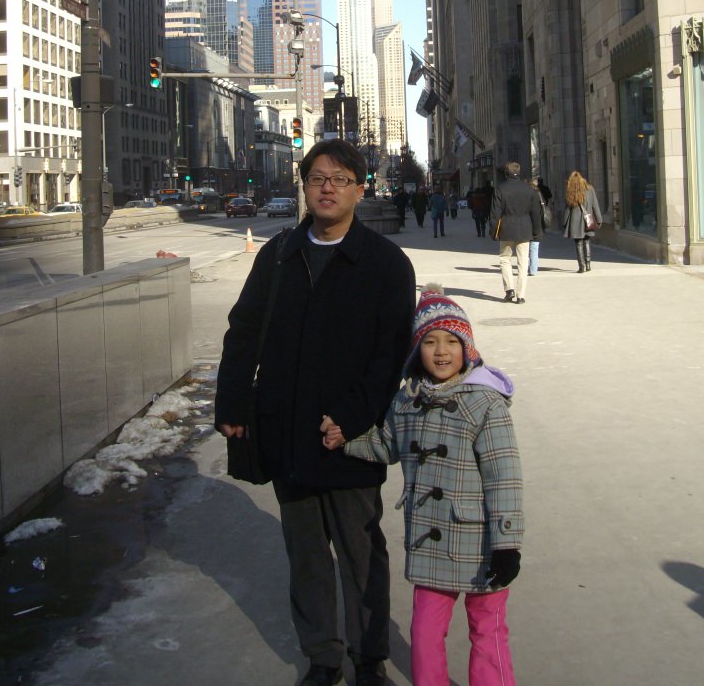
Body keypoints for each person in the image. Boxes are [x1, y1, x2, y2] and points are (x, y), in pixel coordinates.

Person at [215, 140, 417, 686]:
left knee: (360, 555)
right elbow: (245, 330)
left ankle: (368, 658)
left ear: (359, 188)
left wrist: (352, 417)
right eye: (317, 178)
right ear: (304, 186)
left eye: (340, 178)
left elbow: (391, 352)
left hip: (350, 439)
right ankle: (323, 658)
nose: (327, 187)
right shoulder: (278, 253)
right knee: (305, 554)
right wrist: (232, 400)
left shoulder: (385, 262)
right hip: (286, 431)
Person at [322, 285, 523, 686]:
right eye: (430, 342)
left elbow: (505, 477)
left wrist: (507, 544)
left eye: (452, 340)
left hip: (482, 543)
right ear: (417, 350)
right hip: (431, 544)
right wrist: (346, 443)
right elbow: (386, 445)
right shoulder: (406, 401)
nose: (442, 351)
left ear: (468, 347)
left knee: (488, 629)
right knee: (426, 633)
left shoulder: (486, 403)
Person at [490, 162, 542, 305]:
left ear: (506, 173)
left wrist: (493, 231)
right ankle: (521, 295)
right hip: (525, 228)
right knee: (523, 261)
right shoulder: (529, 190)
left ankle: (509, 289)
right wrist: (537, 232)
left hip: (506, 228)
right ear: (519, 173)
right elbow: (536, 213)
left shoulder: (500, 189)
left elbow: (495, 213)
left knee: (505, 259)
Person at [562, 170, 602, 272]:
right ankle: (588, 264)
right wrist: (599, 219)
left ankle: (581, 266)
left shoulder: (571, 191)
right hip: (587, 219)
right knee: (587, 241)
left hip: (575, 222)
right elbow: (595, 205)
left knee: (578, 243)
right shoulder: (590, 189)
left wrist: (564, 221)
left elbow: (567, 208)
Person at [527, 178, 548, 276]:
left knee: (526, 247)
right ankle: (533, 269)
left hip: (527, 224)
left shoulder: (525, 196)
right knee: (534, 247)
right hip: (538, 224)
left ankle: (528, 267)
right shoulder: (539, 195)